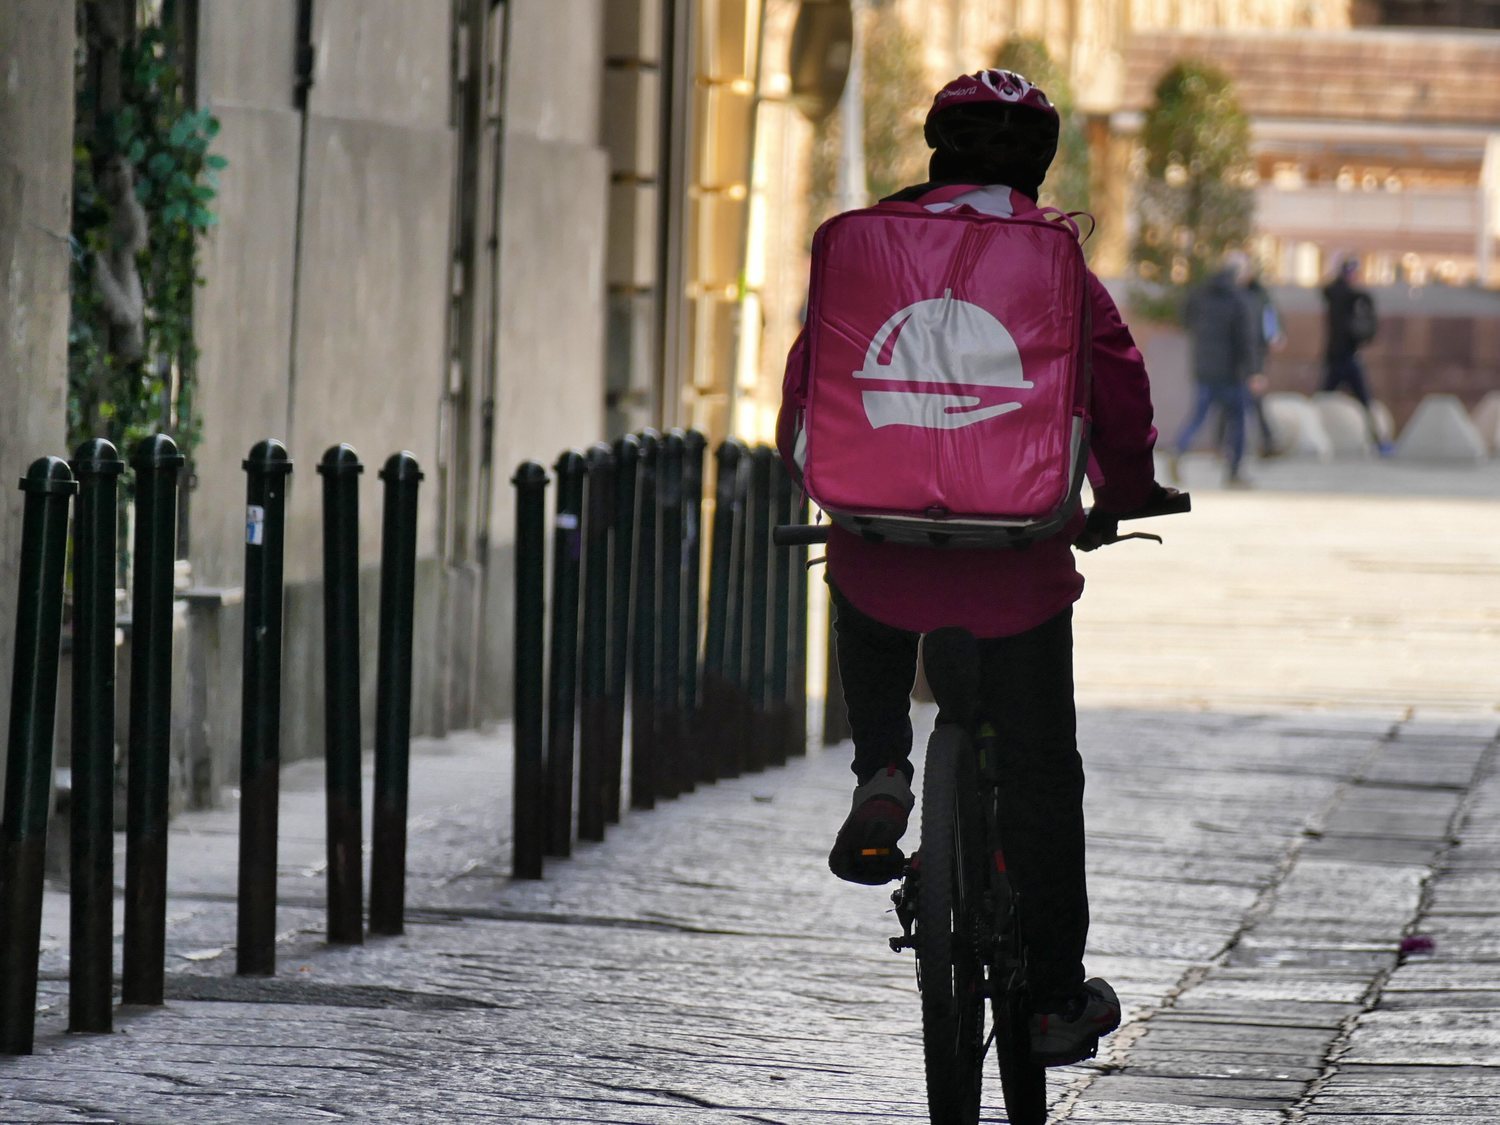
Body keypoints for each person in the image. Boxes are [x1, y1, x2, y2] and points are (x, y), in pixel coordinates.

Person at [776, 68, 1172, 1068]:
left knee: (858, 578)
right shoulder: (1058, 268)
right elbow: (1119, 393)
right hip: (1018, 571)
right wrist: (1123, 494)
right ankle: (1046, 1002)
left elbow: (811, 380)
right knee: (1043, 775)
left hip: (882, 548)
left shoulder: (871, 247)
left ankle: (880, 772)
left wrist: (811, 466)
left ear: (933, 150)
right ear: (1040, 167)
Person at [1167, 252, 1255, 487]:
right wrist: (1253, 370)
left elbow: (1185, 317)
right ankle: (1234, 472)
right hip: (1229, 371)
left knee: (1198, 416)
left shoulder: (1200, 293)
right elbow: (1245, 338)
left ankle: (1179, 449)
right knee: (1238, 420)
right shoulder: (1238, 299)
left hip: (1203, 366)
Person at [1322, 256, 1390, 453]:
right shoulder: (1344, 295)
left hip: (1344, 356)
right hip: (1341, 357)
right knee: (1360, 399)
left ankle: (1377, 439)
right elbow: (1333, 292)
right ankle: (1377, 440)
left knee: (1363, 400)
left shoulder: (1347, 296)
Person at [1241, 266, 1285, 456]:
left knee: (1251, 399)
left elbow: (1270, 325)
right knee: (1240, 399)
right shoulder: (1250, 296)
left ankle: (1267, 441)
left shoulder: (1259, 297)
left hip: (1253, 354)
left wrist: (1275, 336)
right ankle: (1267, 440)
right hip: (1244, 354)